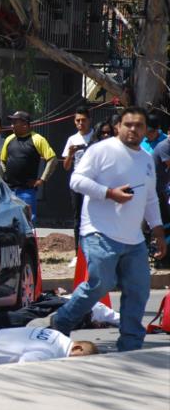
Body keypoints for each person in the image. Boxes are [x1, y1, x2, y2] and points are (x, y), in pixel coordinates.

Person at [50, 106, 166, 351]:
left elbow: (150, 198)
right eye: (128, 124)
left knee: (138, 289)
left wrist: (158, 231)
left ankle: (131, 344)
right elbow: (76, 181)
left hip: (134, 238)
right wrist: (109, 193)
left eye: (139, 125)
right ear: (118, 127)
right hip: (99, 231)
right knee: (100, 285)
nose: (133, 129)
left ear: (146, 130)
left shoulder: (146, 159)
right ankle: (61, 322)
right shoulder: (101, 150)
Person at [0, 110, 58, 222]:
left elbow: (53, 160)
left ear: (25, 125)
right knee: (9, 224)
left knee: (27, 224)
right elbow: (2, 161)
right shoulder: (9, 139)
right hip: (9, 192)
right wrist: (6, 175)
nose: (11, 125)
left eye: (15, 122)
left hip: (26, 192)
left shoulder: (38, 139)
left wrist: (42, 180)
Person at [61, 106, 94, 255]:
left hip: (94, 182)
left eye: (83, 120)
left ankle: (92, 250)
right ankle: (77, 252)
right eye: (78, 120)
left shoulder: (95, 137)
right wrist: (70, 153)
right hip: (77, 183)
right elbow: (66, 167)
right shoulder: (72, 139)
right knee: (77, 218)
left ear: (89, 120)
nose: (81, 123)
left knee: (93, 216)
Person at [152, 135, 170, 268]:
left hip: (161, 189)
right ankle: (159, 257)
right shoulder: (165, 146)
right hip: (155, 191)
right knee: (162, 223)